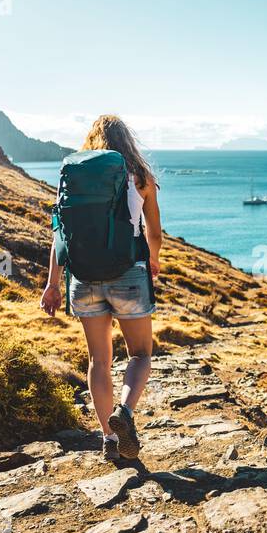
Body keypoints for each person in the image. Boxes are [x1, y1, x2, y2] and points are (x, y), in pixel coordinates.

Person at [40, 115, 162, 461]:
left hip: (82, 279)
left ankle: (109, 439)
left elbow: (59, 235)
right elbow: (154, 232)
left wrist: (52, 285)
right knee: (139, 354)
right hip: (129, 275)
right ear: (127, 142)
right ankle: (124, 412)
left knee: (99, 360)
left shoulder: (74, 179)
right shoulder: (140, 178)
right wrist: (153, 260)